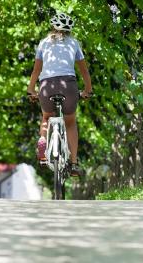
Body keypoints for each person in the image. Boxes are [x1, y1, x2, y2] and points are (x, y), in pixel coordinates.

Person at [26, 12, 93, 177]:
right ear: (69, 30)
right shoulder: (74, 43)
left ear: (52, 27)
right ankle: (74, 163)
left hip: (46, 85)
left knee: (46, 117)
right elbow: (84, 71)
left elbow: (36, 70)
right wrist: (87, 90)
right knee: (70, 123)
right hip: (68, 85)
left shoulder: (44, 43)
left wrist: (31, 90)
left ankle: (43, 140)